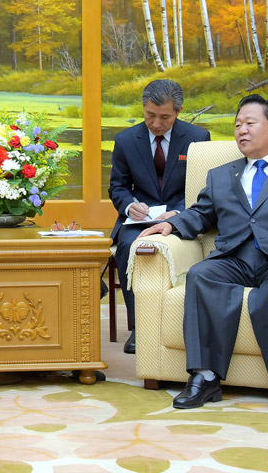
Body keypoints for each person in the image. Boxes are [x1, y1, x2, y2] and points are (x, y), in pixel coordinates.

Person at [137, 94, 268, 416]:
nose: (241, 131)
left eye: (250, 123)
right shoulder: (221, 175)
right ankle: (205, 377)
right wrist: (173, 225)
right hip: (234, 257)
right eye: (237, 125)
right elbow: (202, 214)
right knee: (201, 274)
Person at [109, 79, 210, 354]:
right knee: (129, 246)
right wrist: (129, 206)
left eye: (164, 117)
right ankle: (140, 327)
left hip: (181, 216)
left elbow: (202, 187)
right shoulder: (126, 140)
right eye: (150, 115)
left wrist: (178, 212)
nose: (156, 123)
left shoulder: (198, 138)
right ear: (143, 108)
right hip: (140, 217)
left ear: (178, 111)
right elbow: (118, 187)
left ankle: (175, 323)